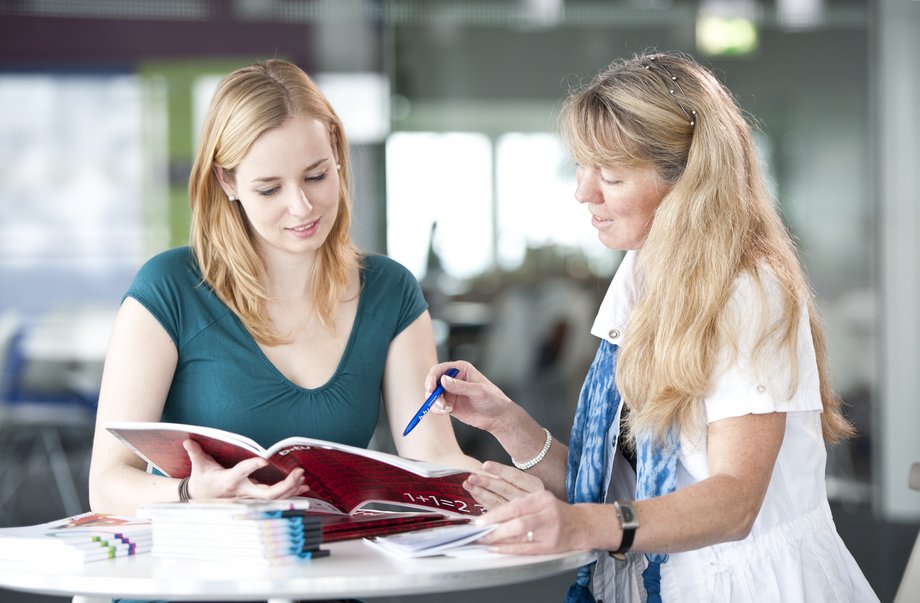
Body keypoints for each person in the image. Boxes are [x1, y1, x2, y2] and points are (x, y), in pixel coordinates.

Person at [423, 52, 878, 602]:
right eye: (581, 167)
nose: (583, 193)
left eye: (610, 175)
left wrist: (583, 525)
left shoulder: (748, 293)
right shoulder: (642, 278)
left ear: (686, 184)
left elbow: (734, 502)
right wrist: (508, 422)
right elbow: (621, 491)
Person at [88, 59, 480, 518]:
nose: (301, 206)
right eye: (269, 189)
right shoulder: (170, 289)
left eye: (316, 176)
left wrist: (507, 490)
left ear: (336, 151)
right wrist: (191, 495)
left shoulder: (390, 291)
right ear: (227, 181)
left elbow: (432, 457)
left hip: (319, 567)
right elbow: (107, 485)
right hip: (191, 570)